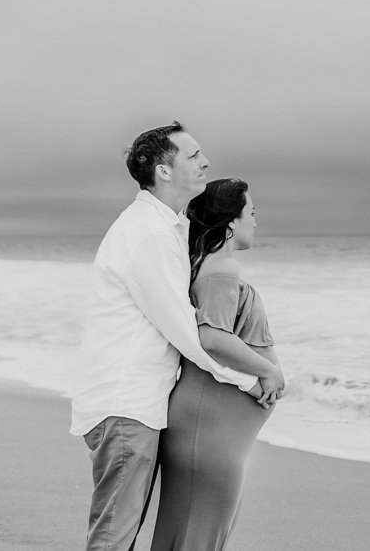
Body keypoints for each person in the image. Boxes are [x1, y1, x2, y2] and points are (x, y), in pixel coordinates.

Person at [70, 123, 285, 551]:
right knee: (114, 537)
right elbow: (189, 332)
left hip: (136, 405)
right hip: (125, 404)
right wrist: (256, 376)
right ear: (163, 171)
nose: (205, 162)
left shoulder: (166, 228)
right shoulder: (148, 233)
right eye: (192, 155)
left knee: (121, 534)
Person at [151, 178, 280, 551]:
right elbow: (213, 338)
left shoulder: (208, 266)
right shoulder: (222, 269)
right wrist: (268, 370)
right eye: (251, 213)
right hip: (209, 432)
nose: (256, 221)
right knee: (200, 537)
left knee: (191, 534)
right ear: (230, 223)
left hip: (211, 428)